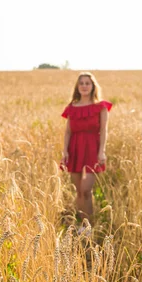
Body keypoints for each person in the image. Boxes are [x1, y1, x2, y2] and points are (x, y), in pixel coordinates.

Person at [61, 72, 112, 224]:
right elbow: (68, 131)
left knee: (86, 190)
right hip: (75, 148)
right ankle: (81, 222)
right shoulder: (72, 107)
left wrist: (101, 151)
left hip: (92, 148)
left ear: (93, 86)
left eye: (87, 83)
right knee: (78, 191)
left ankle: (88, 226)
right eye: (81, 83)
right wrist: (65, 151)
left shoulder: (100, 107)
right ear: (78, 87)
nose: (84, 86)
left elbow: (103, 131)